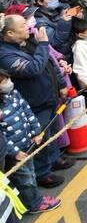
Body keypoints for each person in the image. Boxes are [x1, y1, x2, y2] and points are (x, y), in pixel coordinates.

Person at [0, 14, 71, 189]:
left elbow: (49, 62)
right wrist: (43, 44)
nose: (28, 26)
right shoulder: (4, 55)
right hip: (35, 104)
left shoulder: (29, 40)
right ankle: (43, 174)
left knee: (51, 132)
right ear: (10, 33)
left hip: (49, 96)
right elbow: (33, 69)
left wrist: (61, 84)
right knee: (39, 138)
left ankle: (54, 159)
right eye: (22, 25)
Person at [0, 70, 61, 213]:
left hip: (27, 143)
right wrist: (14, 152)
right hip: (15, 153)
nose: (8, 82)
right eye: (3, 81)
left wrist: (36, 131)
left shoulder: (14, 94)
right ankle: (34, 204)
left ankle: (32, 198)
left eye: (7, 78)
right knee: (24, 178)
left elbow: (27, 111)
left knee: (30, 172)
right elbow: (1, 137)